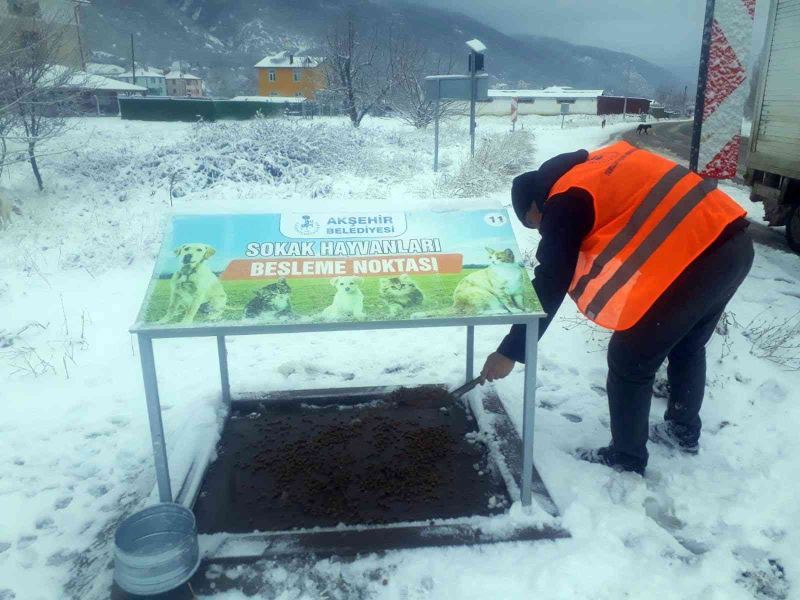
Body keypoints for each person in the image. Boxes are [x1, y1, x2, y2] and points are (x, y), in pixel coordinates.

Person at [481, 141, 753, 475]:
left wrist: (510, 350)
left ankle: (626, 457)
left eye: (534, 224)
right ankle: (682, 431)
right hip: (733, 242)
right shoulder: (595, 164)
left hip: (698, 258)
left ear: (535, 206)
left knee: (629, 359)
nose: (541, 231)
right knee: (687, 344)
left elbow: (551, 279)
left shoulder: (564, 201)